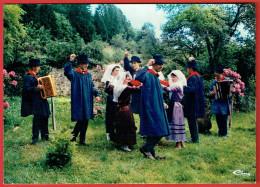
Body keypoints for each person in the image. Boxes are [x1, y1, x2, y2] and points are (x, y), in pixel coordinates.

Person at [135, 55, 170, 160]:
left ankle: (151, 153)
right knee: (159, 129)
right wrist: (147, 65)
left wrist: (162, 102)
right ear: (153, 64)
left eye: (162, 64)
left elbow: (156, 93)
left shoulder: (155, 76)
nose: (161, 66)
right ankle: (146, 148)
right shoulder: (148, 75)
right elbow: (138, 77)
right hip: (151, 108)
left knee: (153, 131)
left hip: (157, 106)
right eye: (159, 64)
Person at [64, 54, 102, 146]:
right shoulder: (74, 74)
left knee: (86, 119)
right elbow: (66, 71)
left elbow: (92, 86)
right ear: (80, 64)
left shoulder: (88, 74)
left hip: (87, 100)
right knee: (80, 118)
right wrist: (70, 61)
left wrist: (96, 94)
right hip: (78, 100)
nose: (86, 65)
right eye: (84, 64)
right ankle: (74, 136)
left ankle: (82, 139)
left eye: (87, 64)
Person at [106, 72, 141, 152]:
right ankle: (125, 144)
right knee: (127, 127)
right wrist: (145, 83)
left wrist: (110, 84)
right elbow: (138, 89)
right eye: (127, 78)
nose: (128, 79)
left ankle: (121, 142)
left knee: (120, 126)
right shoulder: (126, 88)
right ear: (123, 79)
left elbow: (109, 88)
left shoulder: (116, 86)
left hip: (118, 109)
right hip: (125, 109)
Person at [21, 59, 50, 145]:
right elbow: (26, 89)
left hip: (42, 100)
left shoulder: (36, 76)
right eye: (38, 67)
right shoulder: (28, 77)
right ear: (34, 67)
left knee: (45, 117)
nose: (39, 68)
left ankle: (45, 136)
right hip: (36, 102)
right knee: (37, 119)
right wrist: (37, 88)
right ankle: (35, 138)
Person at [161, 70, 187, 149]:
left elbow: (168, 89)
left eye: (174, 77)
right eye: (172, 77)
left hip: (176, 106)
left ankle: (178, 144)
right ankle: (181, 143)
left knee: (176, 123)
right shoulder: (176, 84)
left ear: (178, 77)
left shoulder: (177, 85)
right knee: (176, 123)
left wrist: (159, 84)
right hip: (174, 105)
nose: (172, 78)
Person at [183, 57, 205, 143]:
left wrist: (183, 88)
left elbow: (191, 90)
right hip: (197, 102)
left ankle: (194, 139)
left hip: (192, 103)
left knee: (192, 121)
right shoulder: (198, 76)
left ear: (191, 69)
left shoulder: (192, 78)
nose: (187, 70)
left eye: (187, 68)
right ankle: (195, 138)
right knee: (193, 121)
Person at [209, 65, 236, 137]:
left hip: (224, 102)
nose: (215, 73)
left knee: (224, 117)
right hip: (217, 102)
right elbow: (210, 92)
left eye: (216, 72)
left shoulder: (227, 80)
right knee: (218, 117)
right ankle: (220, 132)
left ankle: (224, 133)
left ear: (219, 73)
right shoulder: (214, 82)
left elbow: (233, 90)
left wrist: (233, 90)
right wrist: (212, 92)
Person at [101, 64, 124, 141]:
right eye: (116, 70)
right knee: (110, 115)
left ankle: (117, 132)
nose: (118, 72)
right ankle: (109, 132)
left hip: (119, 98)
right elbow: (106, 90)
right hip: (111, 98)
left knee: (118, 115)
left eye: (118, 70)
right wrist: (110, 87)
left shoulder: (119, 78)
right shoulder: (109, 79)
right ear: (112, 71)